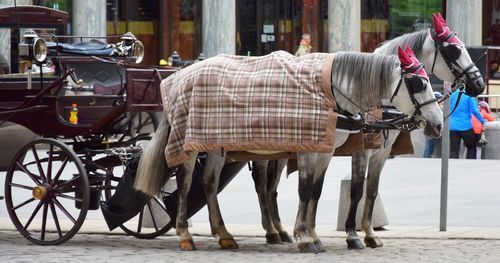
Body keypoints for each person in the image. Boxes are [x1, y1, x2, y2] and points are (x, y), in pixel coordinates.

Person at [449, 90, 486, 159]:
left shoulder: (452, 94)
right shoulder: (469, 94)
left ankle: (452, 167)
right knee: (471, 146)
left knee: (454, 150)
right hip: (465, 126)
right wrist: (482, 121)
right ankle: (470, 164)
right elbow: (475, 110)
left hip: (452, 126)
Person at [423, 91, 444, 158]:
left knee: (428, 145)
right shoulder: (434, 108)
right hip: (432, 129)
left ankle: (426, 157)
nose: (441, 100)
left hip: (431, 129)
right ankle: (427, 158)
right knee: (430, 146)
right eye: (439, 99)